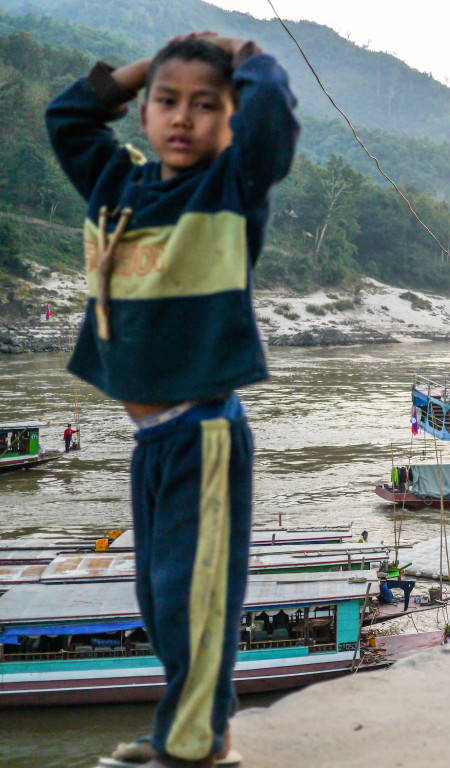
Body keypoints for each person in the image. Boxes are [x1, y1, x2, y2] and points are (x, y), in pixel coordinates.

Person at [46, 32, 299, 768]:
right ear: (144, 111)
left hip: (204, 432)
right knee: (161, 602)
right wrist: (144, 69)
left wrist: (248, 58)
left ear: (229, 120)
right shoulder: (115, 184)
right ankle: (203, 732)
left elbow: (271, 126)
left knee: (195, 598)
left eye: (205, 105)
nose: (183, 118)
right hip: (151, 441)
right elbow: (68, 119)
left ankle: (188, 748)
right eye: (167, 102)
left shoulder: (229, 188)